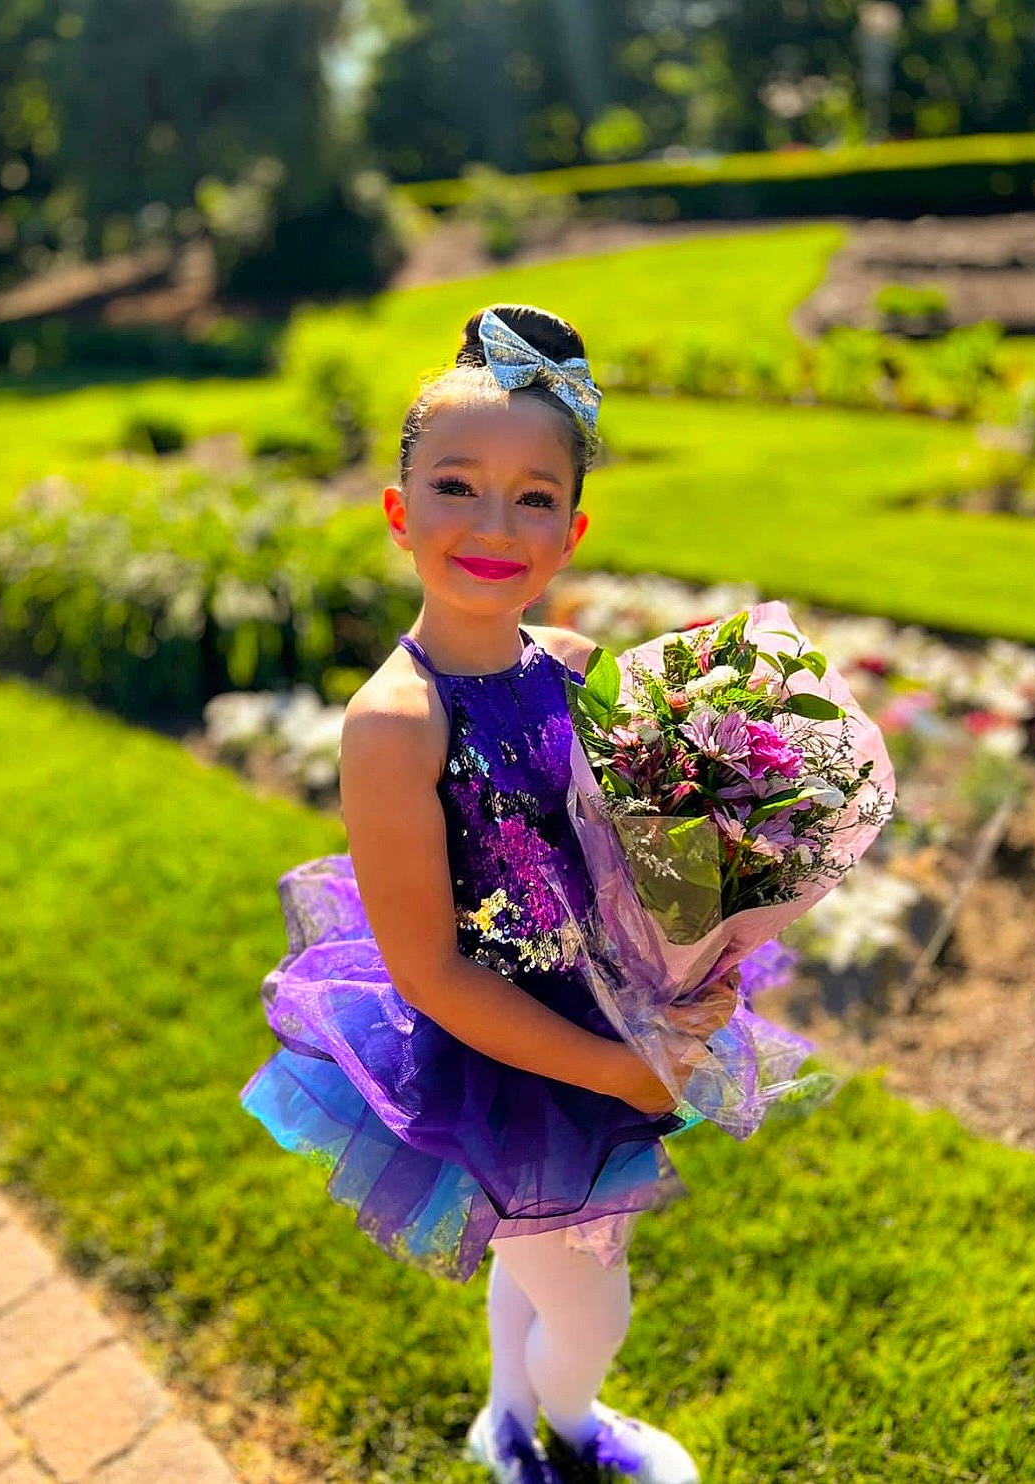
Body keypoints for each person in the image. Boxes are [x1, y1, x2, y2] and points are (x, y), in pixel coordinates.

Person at [240, 303, 729, 1484]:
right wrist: (619, 1069)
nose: (494, 524)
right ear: (400, 511)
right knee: (595, 1304)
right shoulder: (395, 724)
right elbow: (428, 969)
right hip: (501, 1054)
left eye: (534, 497)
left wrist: (700, 917)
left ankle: (511, 1417)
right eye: (458, 486)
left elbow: (621, 842)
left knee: (536, 1245)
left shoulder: (564, 664)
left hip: (595, 1001)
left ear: (571, 528)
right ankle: (573, 1430)